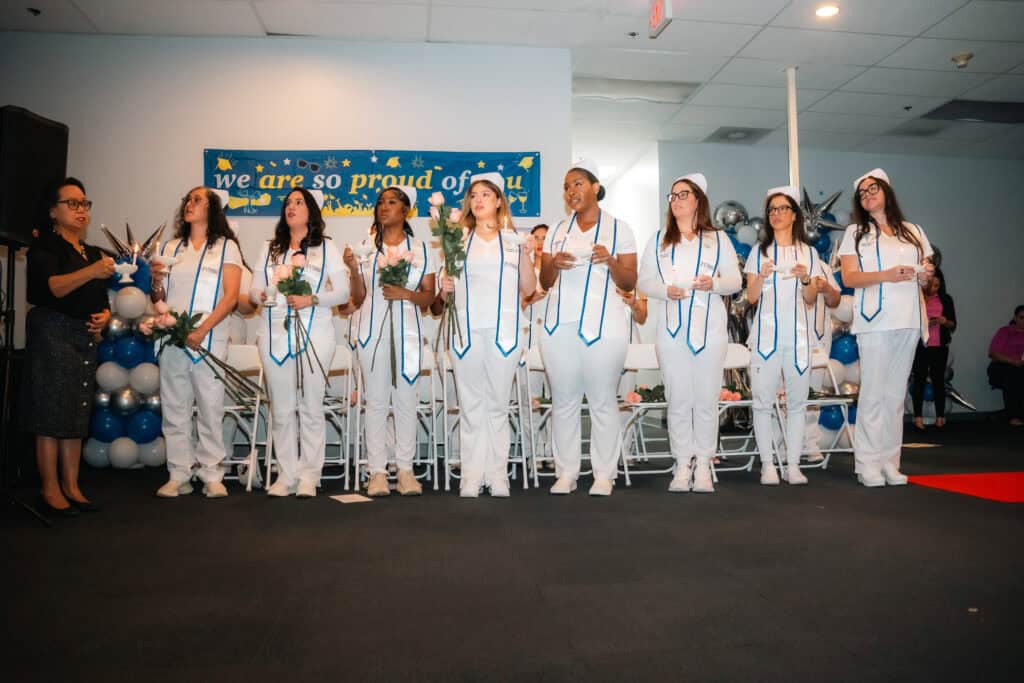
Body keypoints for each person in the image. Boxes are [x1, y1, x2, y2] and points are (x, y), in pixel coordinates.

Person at [539, 160, 638, 496]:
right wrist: (553, 263)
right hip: (559, 326)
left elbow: (629, 279)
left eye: (578, 183)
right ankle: (566, 472)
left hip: (604, 327)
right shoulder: (556, 230)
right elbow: (544, 280)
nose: (571, 191)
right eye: (567, 186)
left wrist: (609, 261)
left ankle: (604, 474)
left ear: (596, 187)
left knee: (602, 400)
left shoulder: (619, 228)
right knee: (564, 400)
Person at [637, 173, 741, 493]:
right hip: (671, 330)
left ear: (698, 199)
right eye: (673, 195)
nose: (677, 200)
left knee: (706, 399)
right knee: (678, 398)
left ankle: (705, 464)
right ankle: (682, 463)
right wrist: (665, 290)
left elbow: (735, 282)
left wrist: (716, 284)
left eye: (684, 194)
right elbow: (643, 283)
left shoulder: (718, 239)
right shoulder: (659, 239)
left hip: (710, 329)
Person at [438, 173, 537, 497]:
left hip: (504, 333)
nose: (478, 200)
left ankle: (497, 475)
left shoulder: (513, 240)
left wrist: (525, 253)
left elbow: (529, 288)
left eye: (485, 194)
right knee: (470, 405)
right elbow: (445, 290)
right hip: (465, 333)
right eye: (474, 195)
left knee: (497, 404)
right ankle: (471, 475)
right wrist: (445, 285)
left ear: (498, 201)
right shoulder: (458, 240)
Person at [20, 177, 113, 516]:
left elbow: (100, 298)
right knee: (51, 411)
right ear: (53, 211)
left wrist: (105, 316)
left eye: (84, 203)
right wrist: (92, 271)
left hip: (83, 334)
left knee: (76, 411)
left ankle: (72, 485)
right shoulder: (44, 247)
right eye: (72, 203)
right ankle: (49, 487)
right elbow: (55, 288)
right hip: (52, 332)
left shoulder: (91, 252)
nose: (80, 210)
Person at [250, 188, 350, 498]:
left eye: (299, 202)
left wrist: (312, 299)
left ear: (312, 211)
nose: (291, 207)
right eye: (288, 203)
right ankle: (286, 473)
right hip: (274, 332)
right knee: (281, 407)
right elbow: (253, 291)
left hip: (315, 333)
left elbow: (344, 294)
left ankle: (309, 475)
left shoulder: (326, 248)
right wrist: (262, 295)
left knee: (310, 405)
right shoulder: (269, 248)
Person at [839, 168, 934, 487]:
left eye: (873, 189)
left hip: (909, 318)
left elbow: (930, 279)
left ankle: (890, 462)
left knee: (895, 395)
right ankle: (866, 463)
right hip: (875, 320)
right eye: (862, 192)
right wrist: (887, 274)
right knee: (873, 394)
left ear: (887, 192)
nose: (868, 195)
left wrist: (925, 276)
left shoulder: (913, 231)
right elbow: (849, 278)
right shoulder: (855, 232)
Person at [151, 187, 242, 498]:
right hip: (173, 337)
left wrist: (202, 330)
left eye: (197, 200)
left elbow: (231, 297)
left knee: (209, 406)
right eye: (187, 199)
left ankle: (212, 472)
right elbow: (159, 298)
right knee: (175, 407)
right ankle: (179, 472)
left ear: (212, 208)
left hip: (209, 338)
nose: (189, 204)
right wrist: (156, 282)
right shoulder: (172, 247)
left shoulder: (227, 247)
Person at [349, 186, 435, 497]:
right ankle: (377, 472)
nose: (384, 207)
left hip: (408, 333)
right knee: (375, 402)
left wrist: (407, 295)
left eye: (392, 202)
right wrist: (353, 271)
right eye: (380, 203)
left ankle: (406, 469)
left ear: (406, 210)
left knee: (406, 401)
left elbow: (429, 298)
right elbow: (358, 298)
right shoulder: (364, 248)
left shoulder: (422, 249)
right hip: (372, 332)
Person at [744, 186, 826, 486]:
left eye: (782, 209)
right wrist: (762, 276)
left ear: (794, 214)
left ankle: (792, 465)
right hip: (765, 338)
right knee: (763, 402)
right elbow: (751, 297)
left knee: (797, 404)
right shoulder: (759, 252)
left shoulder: (809, 253)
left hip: (799, 338)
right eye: (772, 210)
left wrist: (807, 278)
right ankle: (768, 464)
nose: (776, 214)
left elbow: (809, 298)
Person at [911, 269, 956, 429]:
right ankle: (917, 417)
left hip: (939, 346)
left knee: (938, 381)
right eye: (931, 284)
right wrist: (924, 323)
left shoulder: (946, 300)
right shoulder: (917, 298)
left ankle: (940, 416)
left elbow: (953, 324)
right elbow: (910, 322)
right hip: (921, 345)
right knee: (919, 381)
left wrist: (944, 321)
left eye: (937, 285)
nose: (933, 288)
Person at [988, 305, 1024, 426]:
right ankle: (1013, 416)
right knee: (1013, 373)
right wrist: (1013, 361)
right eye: (1021, 318)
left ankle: (1012, 414)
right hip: (1002, 366)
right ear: (1015, 318)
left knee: (1018, 373)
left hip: (1020, 366)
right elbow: (993, 353)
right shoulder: (1006, 331)